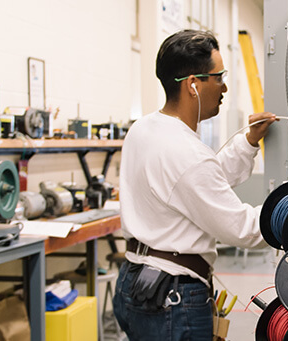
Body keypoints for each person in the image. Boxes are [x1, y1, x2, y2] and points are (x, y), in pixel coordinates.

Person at [112, 29, 276, 340]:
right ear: (193, 85)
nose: (224, 87)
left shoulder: (144, 129)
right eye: (218, 77)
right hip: (172, 297)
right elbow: (240, 228)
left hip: (134, 283)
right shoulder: (186, 153)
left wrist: (248, 141)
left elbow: (196, 186)